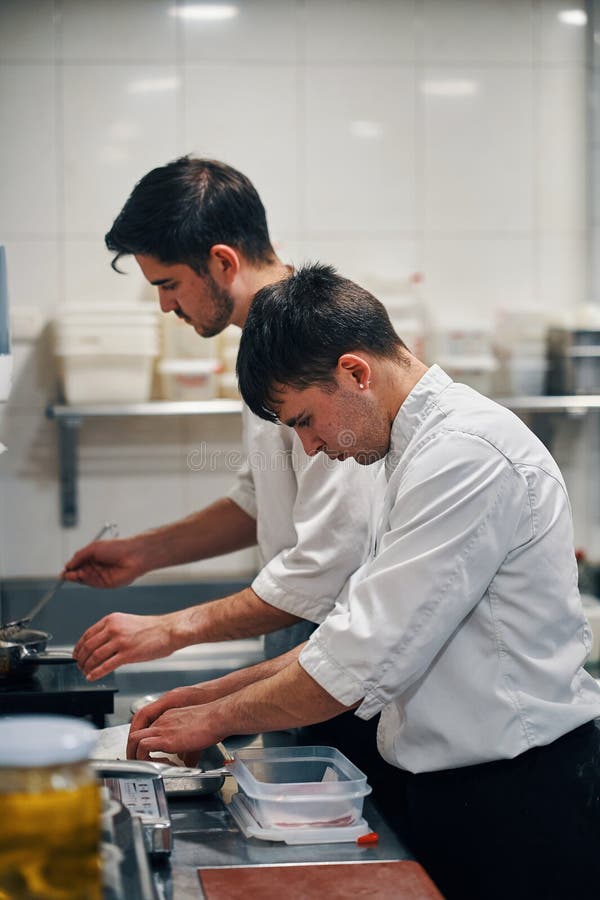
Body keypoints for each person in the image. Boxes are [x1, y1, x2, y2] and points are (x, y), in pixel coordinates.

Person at [127, 263, 600, 900]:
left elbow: (356, 662)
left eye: (304, 420)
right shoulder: (406, 455)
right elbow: (346, 634)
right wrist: (209, 694)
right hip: (457, 791)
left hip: (521, 797)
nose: (313, 448)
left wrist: (213, 718)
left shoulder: (466, 453)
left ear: (354, 372)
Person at [65, 158, 380, 773]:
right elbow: (260, 498)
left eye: (169, 284)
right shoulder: (264, 345)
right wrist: (146, 553)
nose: (163, 307)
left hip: (346, 656)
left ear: (222, 263)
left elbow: (328, 561)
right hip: (297, 636)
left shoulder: (315, 354)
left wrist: (170, 629)